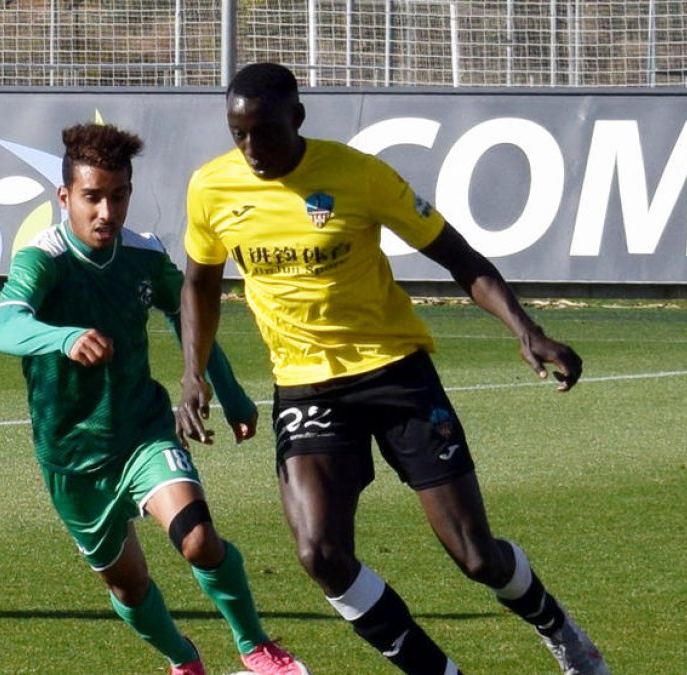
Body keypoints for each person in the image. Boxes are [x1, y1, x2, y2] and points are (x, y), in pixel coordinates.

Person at [174, 63, 609, 675]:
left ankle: (557, 628)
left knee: (475, 555)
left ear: (297, 117)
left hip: (396, 373)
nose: (251, 148)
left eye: (264, 132)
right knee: (320, 553)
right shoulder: (211, 188)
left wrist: (525, 329)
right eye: (238, 134)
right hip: (306, 384)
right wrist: (193, 373)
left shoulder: (359, 175)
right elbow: (199, 282)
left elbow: (459, 256)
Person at [0, 122, 308, 675]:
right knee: (128, 584)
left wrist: (231, 394)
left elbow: (189, 318)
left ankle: (255, 646)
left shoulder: (142, 255)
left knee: (198, 539)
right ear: (65, 197)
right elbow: (6, 326)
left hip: (142, 431)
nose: (107, 213)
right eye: (92, 197)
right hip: (70, 457)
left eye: (118, 197)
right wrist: (64, 338)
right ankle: (183, 660)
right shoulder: (41, 260)